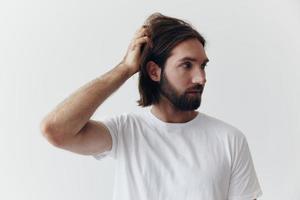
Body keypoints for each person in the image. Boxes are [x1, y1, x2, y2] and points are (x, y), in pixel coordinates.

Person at [40, 12, 263, 200]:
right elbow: (55, 130)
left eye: (202, 66)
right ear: (154, 71)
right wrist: (125, 69)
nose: (201, 78)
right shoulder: (126, 132)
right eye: (187, 65)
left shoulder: (229, 140)